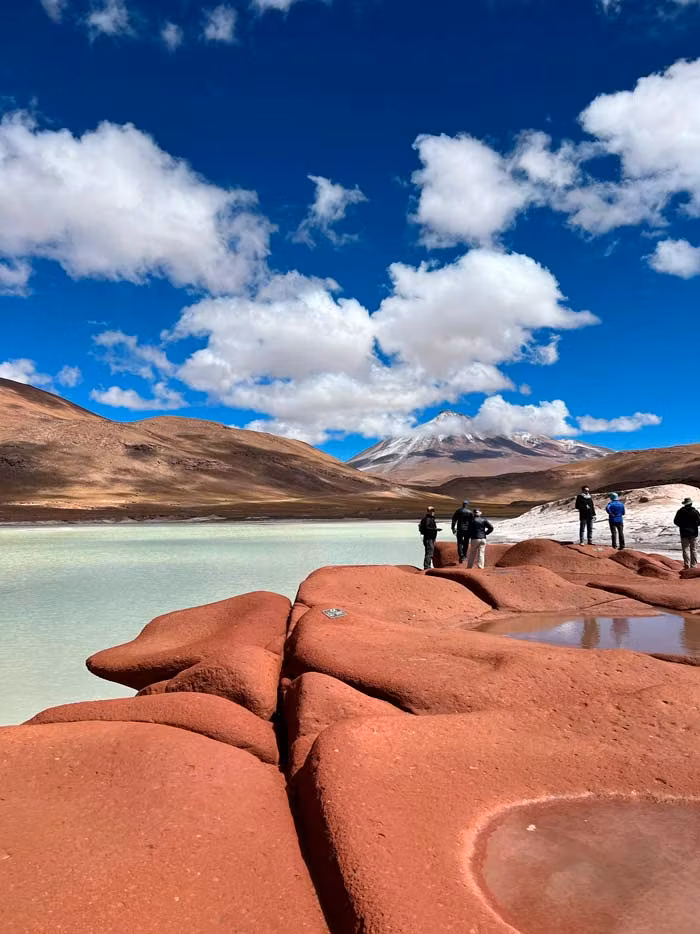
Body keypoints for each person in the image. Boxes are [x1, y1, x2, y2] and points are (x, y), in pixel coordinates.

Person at [673, 496, 700, 569]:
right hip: (694, 533)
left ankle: (686, 565)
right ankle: (693, 566)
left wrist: (682, 526)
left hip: (684, 533)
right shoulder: (695, 512)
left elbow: (675, 521)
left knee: (685, 550)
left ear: (685, 504)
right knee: (694, 550)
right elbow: (699, 522)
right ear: (691, 504)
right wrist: (695, 525)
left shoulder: (680, 511)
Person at [418, 506, 441, 570]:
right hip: (429, 538)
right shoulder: (428, 519)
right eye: (431, 511)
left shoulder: (430, 518)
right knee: (429, 552)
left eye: (433, 511)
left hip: (430, 538)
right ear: (428, 512)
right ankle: (427, 566)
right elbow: (427, 528)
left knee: (429, 551)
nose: (432, 512)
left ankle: (427, 565)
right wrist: (435, 529)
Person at [451, 499, 474, 563]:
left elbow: (454, 520)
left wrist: (453, 528)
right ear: (467, 505)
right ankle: (465, 555)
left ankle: (461, 556)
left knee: (459, 542)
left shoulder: (458, 511)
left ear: (462, 504)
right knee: (466, 542)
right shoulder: (470, 512)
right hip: (467, 530)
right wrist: (472, 530)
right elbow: (472, 522)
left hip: (460, 529)